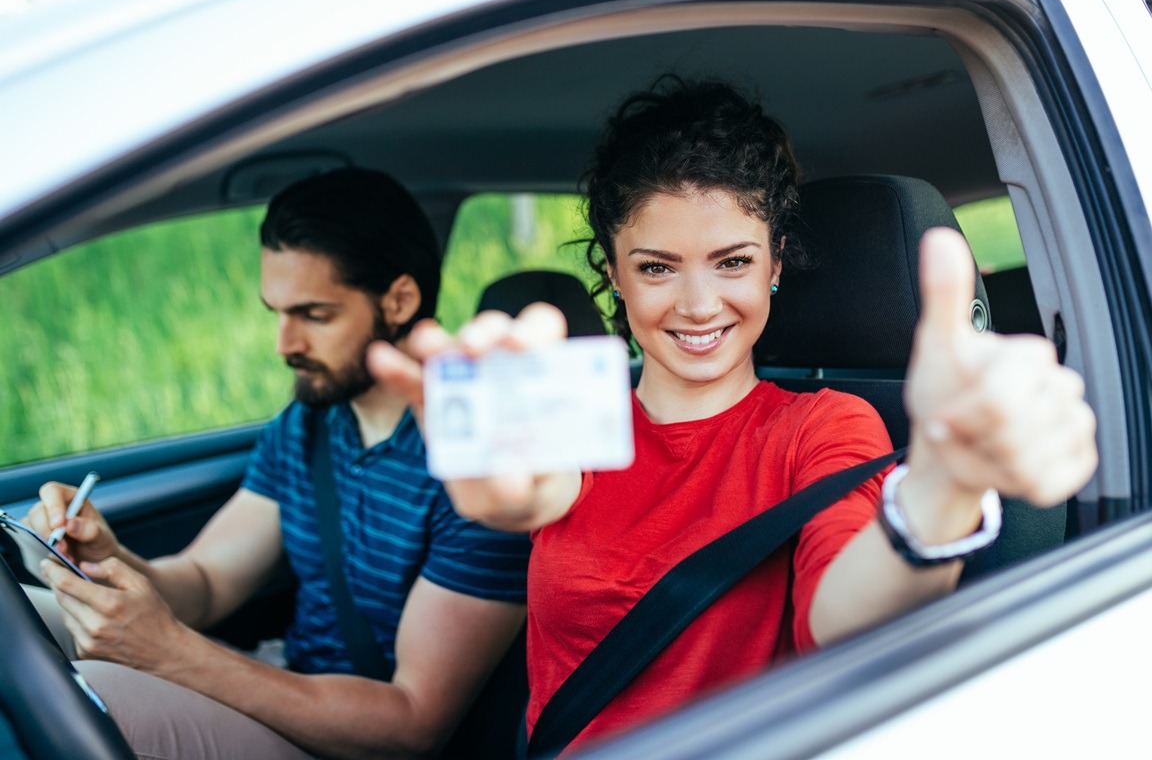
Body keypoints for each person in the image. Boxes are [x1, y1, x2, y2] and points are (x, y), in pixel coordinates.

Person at [369, 78, 1099, 752]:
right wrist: (498, 472)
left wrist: (941, 487)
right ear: (615, 272)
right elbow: (533, 487)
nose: (697, 305)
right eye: (657, 266)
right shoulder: (576, 414)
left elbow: (844, 620)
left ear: (776, 264)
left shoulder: (822, 427)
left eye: (732, 262)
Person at [29, 168, 532, 760]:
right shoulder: (307, 426)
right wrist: (111, 558)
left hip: (351, 743)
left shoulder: (480, 472)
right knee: (27, 619)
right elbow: (207, 583)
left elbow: (412, 723)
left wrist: (170, 652)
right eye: (278, 312)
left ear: (399, 300)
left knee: (99, 697)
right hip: (280, 679)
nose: (284, 344)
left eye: (314, 315)